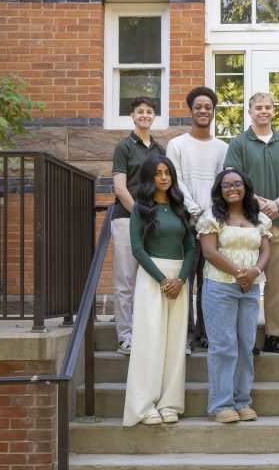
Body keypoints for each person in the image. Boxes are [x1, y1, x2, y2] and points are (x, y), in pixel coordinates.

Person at [224, 92, 279, 353]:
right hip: (247, 223)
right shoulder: (238, 143)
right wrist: (259, 203)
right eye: (258, 107)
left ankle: (274, 336)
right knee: (246, 278)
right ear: (250, 111)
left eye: (268, 107)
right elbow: (234, 180)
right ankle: (246, 338)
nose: (264, 111)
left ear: (274, 110)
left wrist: (277, 203)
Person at [122, 155, 195, 426]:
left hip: (179, 281)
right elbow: (137, 249)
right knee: (150, 341)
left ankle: (169, 403)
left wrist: (182, 279)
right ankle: (145, 404)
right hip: (153, 279)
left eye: (168, 173)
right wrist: (163, 280)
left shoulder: (180, 208)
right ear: (149, 177)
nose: (164, 177)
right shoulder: (141, 208)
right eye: (158, 173)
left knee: (175, 344)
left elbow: (191, 248)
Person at [197, 168, 271, 423]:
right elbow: (209, 252)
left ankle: (242, 402)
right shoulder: (212, 217)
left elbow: (265, 251)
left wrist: (256, 272)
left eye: (237, 184)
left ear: (246, 187)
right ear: (219, 190)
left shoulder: (259, 218)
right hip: (220, 286)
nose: (232, 188)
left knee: (245, 345)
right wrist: (241, 273)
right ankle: (220, 405)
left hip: (250, 289)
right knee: (223, 346)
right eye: (226, 185)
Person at [167, 86, 228, 353]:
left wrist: (212, 212)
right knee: (186, 278)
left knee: (210, 280)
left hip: (214, 224)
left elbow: (224, 181)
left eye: (208, 107)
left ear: (213, 112)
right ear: (190, 110)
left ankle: (206, 334)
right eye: (198, 107)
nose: (203, 111)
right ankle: (187, 335)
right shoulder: (177, 144)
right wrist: (194, 209)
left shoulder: (223, 147)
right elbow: (175, 179)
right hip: (185, 220)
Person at [111, 96, 165, 355]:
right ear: (132, 116)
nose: (145, 115)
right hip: (126, 218)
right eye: (140, 111)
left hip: (154, 218)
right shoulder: (124, 147)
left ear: (154, 117)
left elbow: (164, 185)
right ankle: (125, 336)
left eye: (149, 111)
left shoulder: (159, 150)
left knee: (152, 277)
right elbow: (120, 188)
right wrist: (139, 214)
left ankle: (147, 332)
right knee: (126, 278)